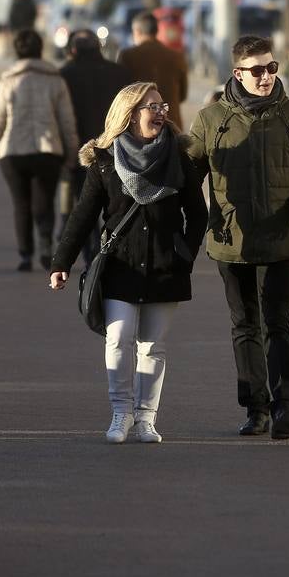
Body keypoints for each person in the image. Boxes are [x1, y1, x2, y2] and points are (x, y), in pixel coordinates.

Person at [49, 83, 206, 444]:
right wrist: (62, 261)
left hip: (167, 265)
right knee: (119, 338)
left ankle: (146, 418)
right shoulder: (105, 159)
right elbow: (83, 216)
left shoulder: (178, 157)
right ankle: (121, 413)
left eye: (163, 105)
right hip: (120, 264)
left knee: (153, 346)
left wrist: (185, 252)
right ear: (130, 114)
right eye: (152, 106)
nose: (161, 111)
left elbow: (197, 215)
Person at [187, 35, 289, 440]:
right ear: (237, 73)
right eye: (257, 70)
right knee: (244, 325)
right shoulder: (211, 120)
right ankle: (255, 408)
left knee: (279, 322)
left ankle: (287, 406)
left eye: (271, 67)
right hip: (231, 239)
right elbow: (189, 176)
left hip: (283, 236)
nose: (266, 77)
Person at [0, 29, 79, 271]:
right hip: (48, 149)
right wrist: (72, 151)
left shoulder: (8, 79)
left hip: (13, 151)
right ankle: (46, 246)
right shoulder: (55, 79)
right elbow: (67, 120)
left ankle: (25, 254)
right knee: (45, 201)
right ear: (40, 49)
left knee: (21, 203)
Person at [58, 29, 135, 261]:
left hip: (80, 149)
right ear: (99, 47)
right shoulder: (120, 73)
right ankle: (113, 246)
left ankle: (90, 249)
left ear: (72, 50)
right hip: (117, 146)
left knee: (85, 201)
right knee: (117, 200)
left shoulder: (64, 74)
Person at [118, 11, 189, 130]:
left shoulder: (128, 56)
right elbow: (182, 95)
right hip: (172, 125)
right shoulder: (177, 56)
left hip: (140, 126)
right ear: (156, 31)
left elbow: (122, 94)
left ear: (137, 31)